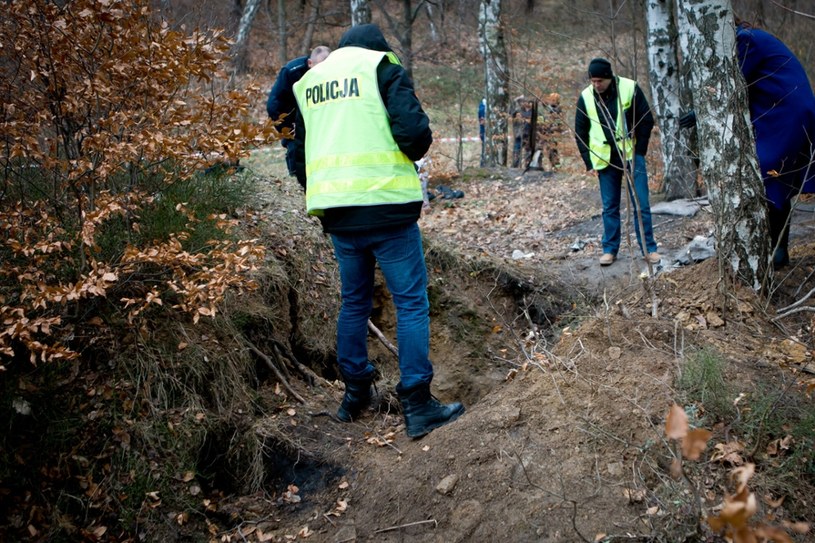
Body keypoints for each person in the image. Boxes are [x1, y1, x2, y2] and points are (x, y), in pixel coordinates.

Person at [292, 23, 465, 439]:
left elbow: (297, 156)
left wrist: (327, 192)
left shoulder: (311, 80)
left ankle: (355, 395)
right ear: (377, 48)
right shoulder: (382, 67)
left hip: (338, 213)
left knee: (353, 303)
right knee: (410, 304)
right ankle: (418, 405)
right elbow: (416, 136)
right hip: (387, 210)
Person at [680, 21, 815, 268]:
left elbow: (733, 85)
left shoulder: (746, 40)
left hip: (785, 115)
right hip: (789, 112)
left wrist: (699, 113)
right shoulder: (753, 37)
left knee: (766, 176)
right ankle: (779, 250)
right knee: (777, 177)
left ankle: (774, 250)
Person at [574, 58, 660, 266]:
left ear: (609, 78)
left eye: (600, 81)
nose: (596, 85)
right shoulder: (586, 97)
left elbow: (646, 119)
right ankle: (610, 249)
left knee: (641, 203)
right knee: (609, 206)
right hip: (605, 160)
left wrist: (640, 151)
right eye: (593, 81)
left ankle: (648, 249)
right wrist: (589, 162)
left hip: (631, 155)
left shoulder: (630, 88)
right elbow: (580, 132)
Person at [266, 45, 330, 179]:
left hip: (316, 114)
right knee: (296, 146)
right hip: (291, 115)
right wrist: (287, 130)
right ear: (310, 63)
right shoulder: (291, 71)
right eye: (319, 67)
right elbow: (274, 105)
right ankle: (296, 174)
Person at [478, 97, 487, 166]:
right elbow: (481, 121)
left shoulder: (481, 106)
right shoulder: (482, 107)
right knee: (484, 148)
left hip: (484, 131)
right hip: (484, 131)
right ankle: (483, 164)